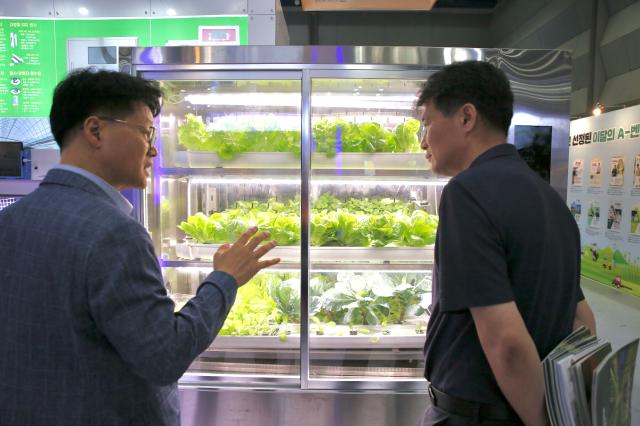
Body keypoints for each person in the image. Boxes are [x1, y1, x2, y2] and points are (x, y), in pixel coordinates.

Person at [0, 69, 280, 425]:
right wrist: (225, 279)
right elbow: (164, 355)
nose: (154, 149)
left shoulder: (11, 220)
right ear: (95, 130)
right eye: (145, 132)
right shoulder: (114, 234)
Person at [417, 60, 596, 426]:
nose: (422, 140)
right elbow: (583, 320)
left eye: (427, 122)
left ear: (466, 117)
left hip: (477, 416)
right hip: (526, 406)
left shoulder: (466, 194)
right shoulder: (550, 200)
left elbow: (507, 341)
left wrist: (541, 422)